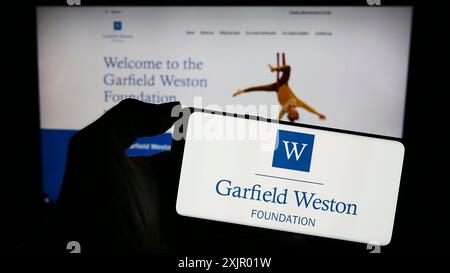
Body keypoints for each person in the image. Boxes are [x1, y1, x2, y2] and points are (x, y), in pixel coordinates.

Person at [233, 64, 326, 122]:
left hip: (276, 88)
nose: (291, 112)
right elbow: (309, 108)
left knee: (259, 88)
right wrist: (318, 114)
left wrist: (276, 125)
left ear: (288, 114)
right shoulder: (298, 103)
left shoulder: (284, 110)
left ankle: (242, 91)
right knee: (288, 68)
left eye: (290, 115)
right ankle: (274, 69)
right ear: (296, 112)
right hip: (283, 84)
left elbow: (278, 117)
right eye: (294, 113)